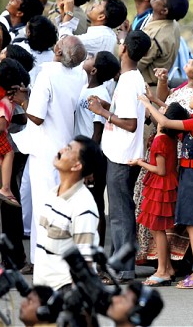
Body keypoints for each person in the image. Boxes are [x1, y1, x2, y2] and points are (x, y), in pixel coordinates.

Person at [140, 84, 193, 289]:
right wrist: (159, 102)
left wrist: (146, 103)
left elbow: (165, 121)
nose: (192, 97)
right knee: (192, 223)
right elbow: (175, 115)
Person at [11, 35, 88, 268]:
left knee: (43, 206)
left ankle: (44, 260)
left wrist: (23, 101)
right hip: (68, 146)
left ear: (57, 50)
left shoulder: (47, 74)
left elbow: (36, 116)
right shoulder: (80, 74)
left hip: (45, 150)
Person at [87, 30, 151, 282]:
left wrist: (101, 112)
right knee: (120, 211)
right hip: (122, 152)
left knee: (120, 213)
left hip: (122, 155)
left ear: (124, 49)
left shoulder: (127, 82)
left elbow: (131, 123)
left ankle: (122, 268)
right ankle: (120, 264)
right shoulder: (131, 77)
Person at [32, 136, 101, 291]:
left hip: (64, 294)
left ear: (77, 165)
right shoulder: (52, 194)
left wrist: (74, 305)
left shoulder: (83, 206)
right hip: (43, 292)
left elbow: (85, 263)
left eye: (69, 149)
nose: (61, 150)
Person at [133, 103, 187, 286]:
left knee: (157, 229)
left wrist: (140, 163)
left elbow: (160, 170)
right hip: (164, 184)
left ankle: (162, 270)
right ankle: (168, 268)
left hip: (160, 185)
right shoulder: (170, 137)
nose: (158, 114)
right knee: (157, 229)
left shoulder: (161, 140)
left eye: (162, 113)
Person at [73, 51, 120, 246]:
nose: (88, 58)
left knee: (96, 204)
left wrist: (89, 165)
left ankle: (98, 249)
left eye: (92, 58)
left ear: (94, 69)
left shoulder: (99, 95)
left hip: (93, 157)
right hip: (83, 155)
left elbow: (97, 133)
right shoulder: (84, 87)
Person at [0, 58, 29, 207]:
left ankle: (6, 188)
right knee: (9, 152)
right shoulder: (4, 93)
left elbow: (0, 126)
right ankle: (6, 188)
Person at [138, 0, 189, 86]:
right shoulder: (172, 23)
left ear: (164, 11)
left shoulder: (156, 37)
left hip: (147, 89)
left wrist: (122, 40)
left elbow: (134, 65)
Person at [59, 0, 127, 55]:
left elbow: (64, 43)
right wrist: (64, 15)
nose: (94, 5)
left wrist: (69, 13)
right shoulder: (106, 34)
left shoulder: (100, 36)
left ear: (101, 17)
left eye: (99, 4)